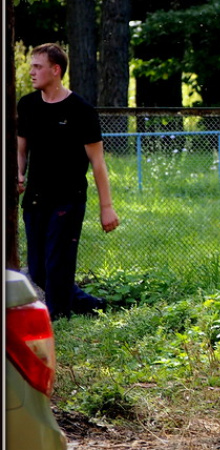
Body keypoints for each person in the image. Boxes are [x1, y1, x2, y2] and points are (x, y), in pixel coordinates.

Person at [17, 43, 120, 320]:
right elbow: (20, 150)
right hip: (35, 199)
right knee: (38, 269)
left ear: (56, 70)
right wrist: (18, 174)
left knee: (57, 264)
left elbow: (98, 163)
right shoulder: (27, 105)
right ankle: (90, 305)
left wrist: (107, 207)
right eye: (31, 66)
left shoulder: (81, 110)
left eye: (37, 66)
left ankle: (56, 318)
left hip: (68, 200)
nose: (31, 71)